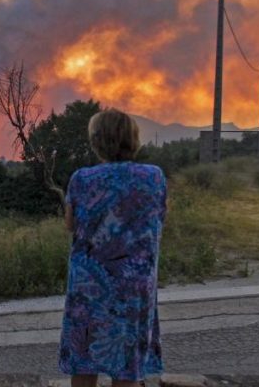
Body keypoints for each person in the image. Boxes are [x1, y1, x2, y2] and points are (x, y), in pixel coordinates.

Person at [59, 108, 167, 387]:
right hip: (134, 287)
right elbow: (158, 219)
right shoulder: (154, 177)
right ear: (132, 138)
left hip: (89, 287)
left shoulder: (81, 179)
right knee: (126, 368)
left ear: (97, 140)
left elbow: (71, 225)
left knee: (84, 361)